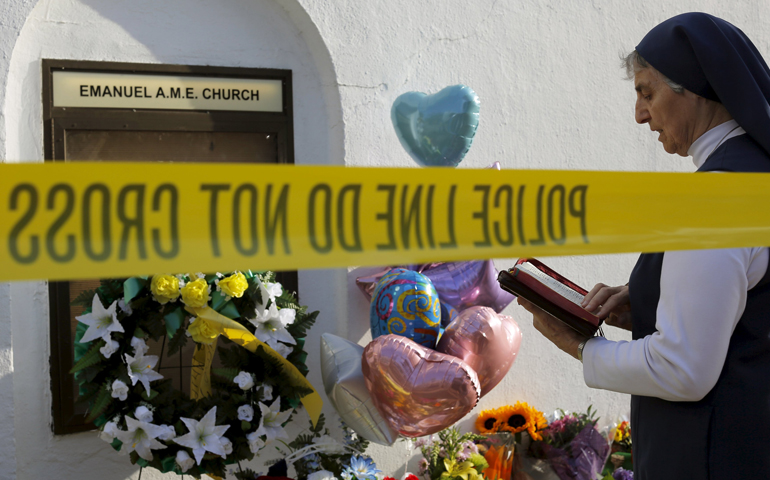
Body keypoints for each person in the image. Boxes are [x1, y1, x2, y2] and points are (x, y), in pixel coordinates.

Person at [517, 12, 770, 480]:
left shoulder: (714, 197)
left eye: (647, 92)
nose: (639, 113)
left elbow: (683, 369)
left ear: (695, 86)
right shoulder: (756, 176)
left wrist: (582, 346)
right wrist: (653, 300)